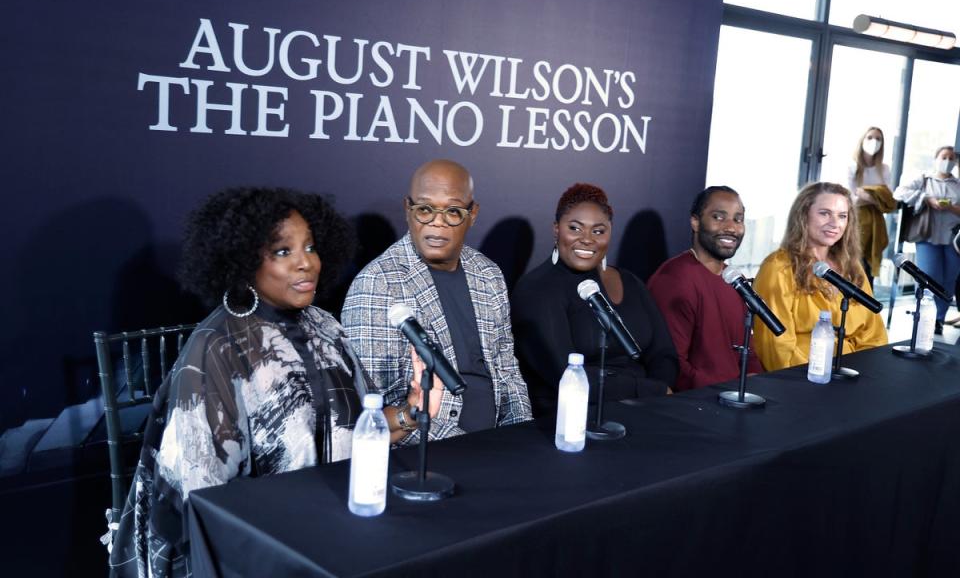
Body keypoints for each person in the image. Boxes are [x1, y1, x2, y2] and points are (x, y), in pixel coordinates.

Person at [107, 187, 438, 578]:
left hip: (339, 528)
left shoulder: (326, 328)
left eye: (310, 248)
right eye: (284, 252)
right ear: (243, 261)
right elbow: (199, 500)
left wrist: (411, 411)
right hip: (260, 548)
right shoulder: (217, 348)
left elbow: (358, 433)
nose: (306, 264)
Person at [341, 160, 532, 442]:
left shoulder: (488, 273)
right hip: (434, 449)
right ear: (408, 210)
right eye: (425, 210)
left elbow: (506, 369)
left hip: (501, 443)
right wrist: (468, 449)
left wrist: (521, 432)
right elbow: (375, 406)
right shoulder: (377, 284)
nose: (437, 222)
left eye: (453, 211)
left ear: (472, 214)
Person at [511, 183, 677, 416]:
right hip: (573, 419)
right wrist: (649, 390)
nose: (587, 239)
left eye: (598, 231)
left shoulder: (630, 281)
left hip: (645, 410)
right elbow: (564, 374)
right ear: (556, 229)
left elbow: (664, 353)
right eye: (575, 228)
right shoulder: (537, 289)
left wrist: (656, 401)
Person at [753, 182, 887, 370]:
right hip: (802, 376)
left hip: (853, 373)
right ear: (803, 215)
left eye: (842, 216)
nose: (834, 223)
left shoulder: (852, 267)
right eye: (824, 213)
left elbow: (874, 333)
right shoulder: (778, 267)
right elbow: (775, 344)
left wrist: (866, 371)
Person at [647, 186, 763, 390]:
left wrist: (753, 387)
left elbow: (748, 352)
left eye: (738, 219)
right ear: (695, 222)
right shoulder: (674, 279)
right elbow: (673, 365)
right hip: (698, 403)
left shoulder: (735, 280)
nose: (731, 227)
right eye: (719, 217)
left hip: (736, 397)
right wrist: (724, 394)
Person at [894, 145, 960, 333]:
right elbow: (899, 193)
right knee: (928, 277)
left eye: (950, 158)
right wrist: (927, 199)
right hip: (927, 236)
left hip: (953, 239)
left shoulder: (958, 184)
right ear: (936, 158)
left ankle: (938, 318)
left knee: (949, 279)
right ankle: (923, 316)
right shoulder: (924, 180)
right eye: (943, 157)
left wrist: (952, 207)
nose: (947, 161)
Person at [846, 126, 896, 286]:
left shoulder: (884, 169)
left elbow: (889, 201)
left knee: (868, 270)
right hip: (854, 220)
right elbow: (849, 198)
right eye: (870, 137)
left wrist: (866, 195)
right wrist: (876, 197)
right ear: (862, 140)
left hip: (876, 224)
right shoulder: (852, 166)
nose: (874, 142)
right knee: (853, 262)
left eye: (878, 138)